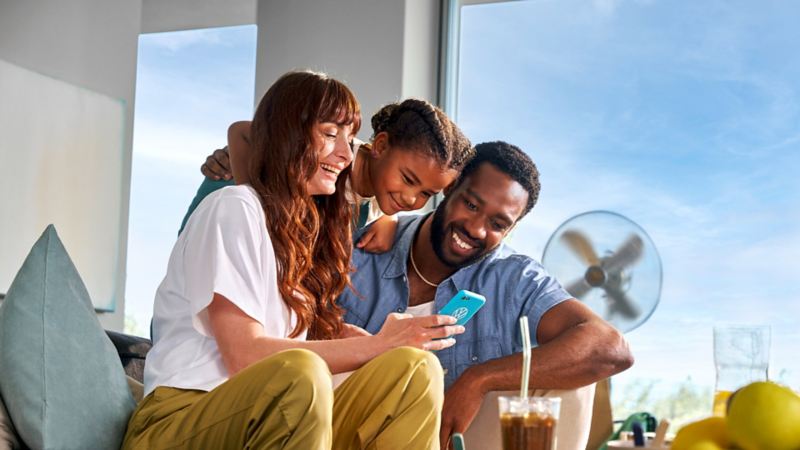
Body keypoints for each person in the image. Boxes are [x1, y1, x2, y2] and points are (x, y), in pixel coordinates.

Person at [123, 71, 465, 450]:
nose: (346, 155)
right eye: (331, 135)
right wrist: (377, 346)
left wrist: (364, 340)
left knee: (413, 371)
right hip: (182, 418)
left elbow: (291, 343)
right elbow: (247, 355)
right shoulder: (235, 207)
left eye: (350, 140)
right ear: (290, 131)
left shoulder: (309, 232)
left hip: (270, 408)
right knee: (300, 373)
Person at [337, 141, 635, 449]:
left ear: (510, 231)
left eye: (498, 224)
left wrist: (479, 380)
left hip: (452, 435)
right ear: (449, 188)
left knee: (574, 385)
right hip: (358, 426)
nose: (477, 229)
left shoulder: (515, 278)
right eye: (472, 205)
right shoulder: (363, 247)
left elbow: (610, 348)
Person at [181, 98, 474, 252]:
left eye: (426, 194)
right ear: (381, 145)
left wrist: (390, 218)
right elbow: (243, 130)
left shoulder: (371, 205)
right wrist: (254, 204)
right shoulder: (328, 158)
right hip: (206, 267)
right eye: (409, 180)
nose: (412, 198)